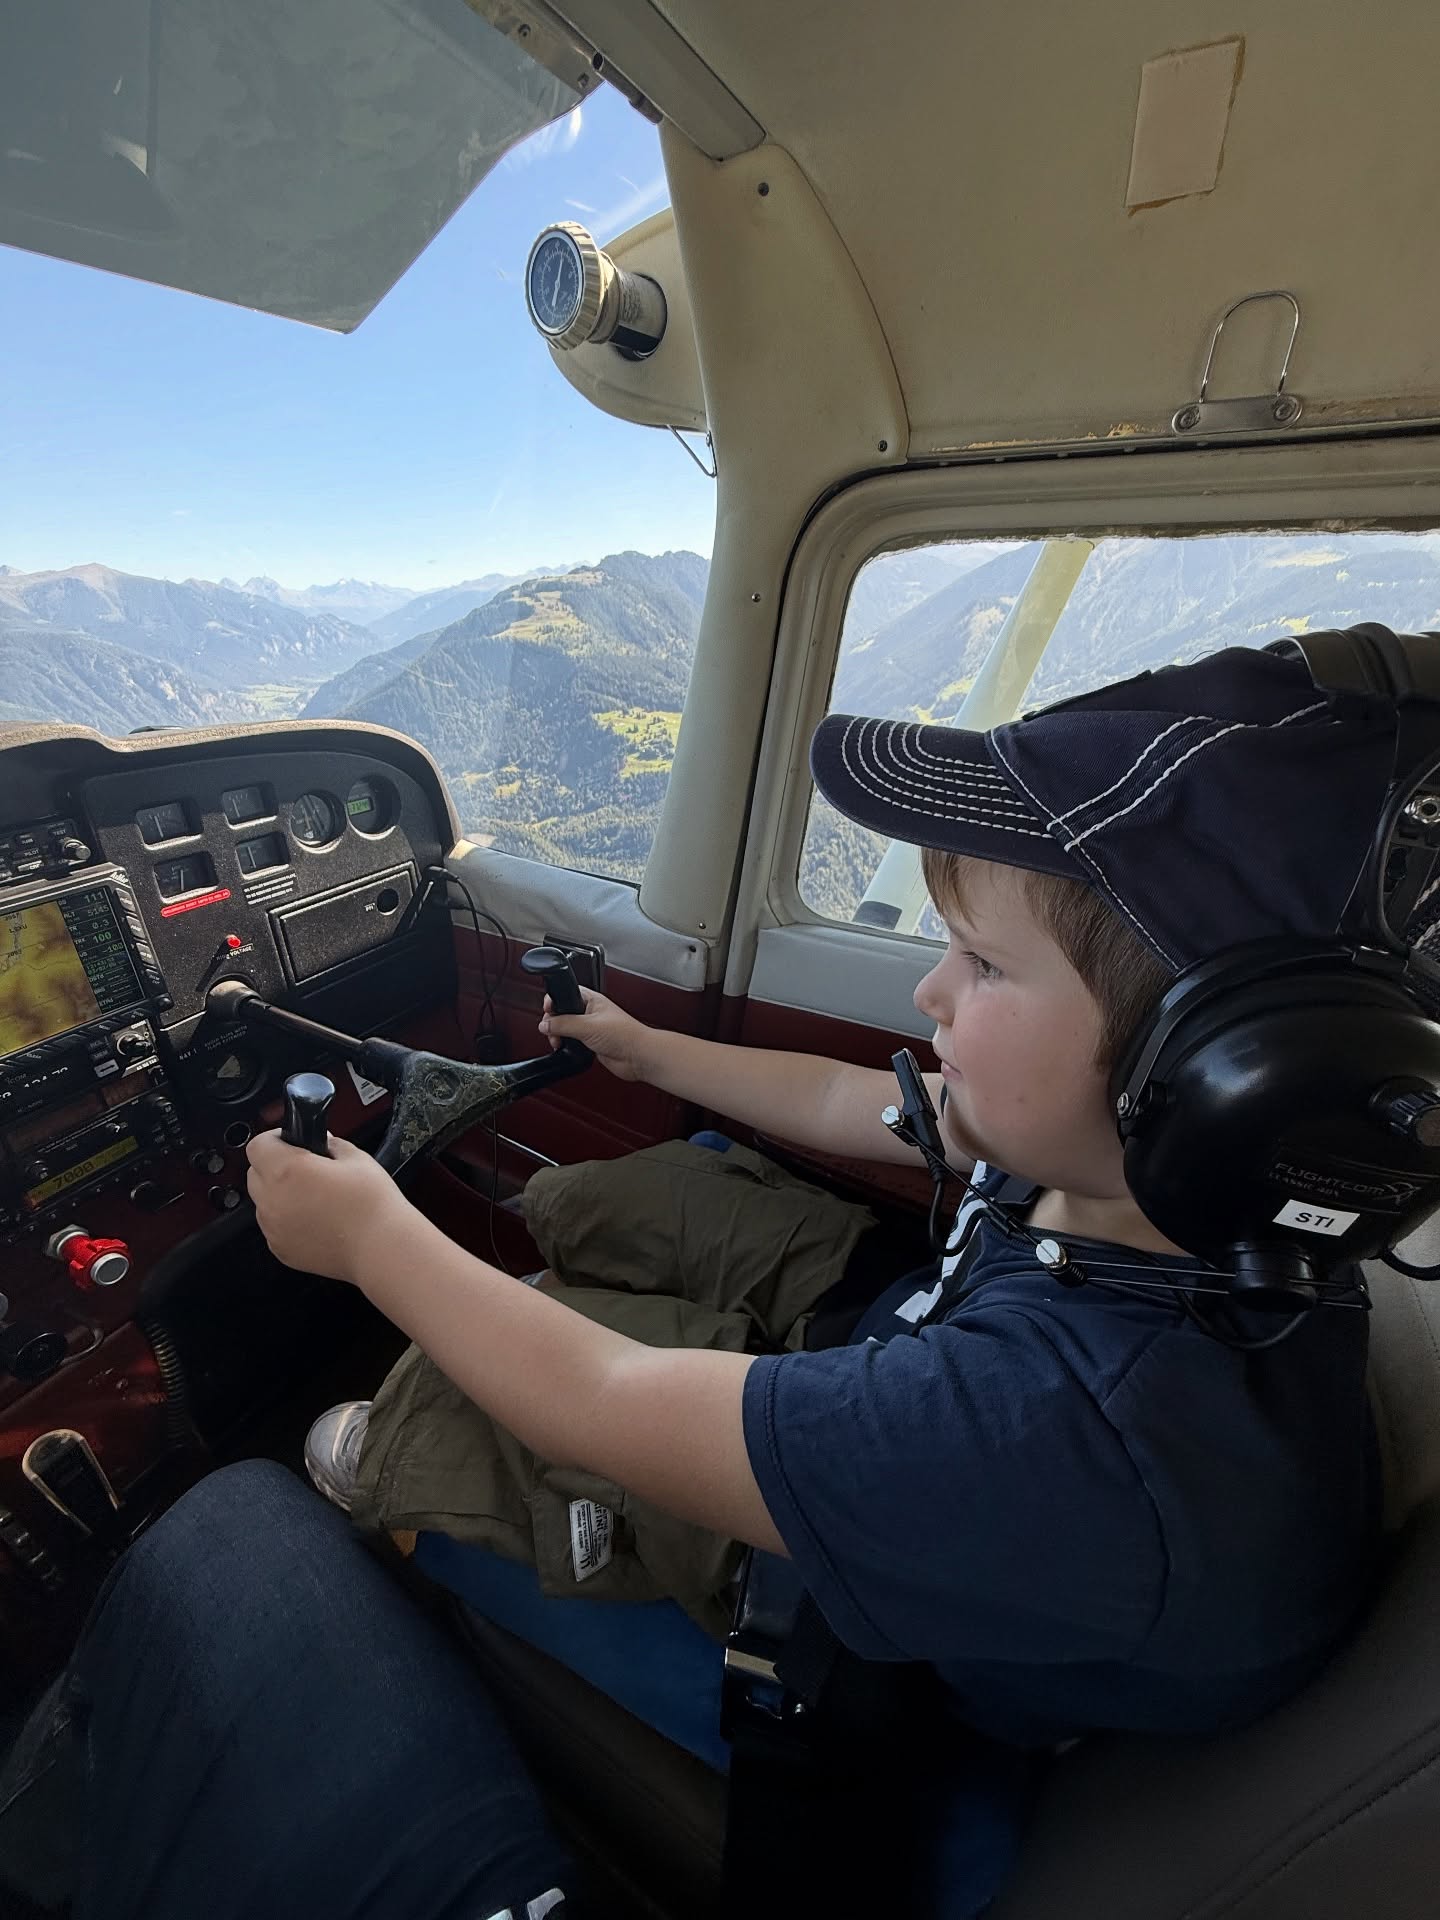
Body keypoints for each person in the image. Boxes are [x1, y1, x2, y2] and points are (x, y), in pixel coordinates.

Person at [0, 643, 1392, 1917]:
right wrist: (648, 1052)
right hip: (921, 1357)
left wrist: (370, 1244)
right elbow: (861, 1105)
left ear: (1209, 1078)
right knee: (619, 1206)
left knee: (484, 1376)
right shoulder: (1159, 1185)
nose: (928, 996)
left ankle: (396, 1461)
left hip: (884, 1637)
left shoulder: (1066, 1441)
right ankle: (544, 1279)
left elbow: (608, 1403)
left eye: (976, 961)